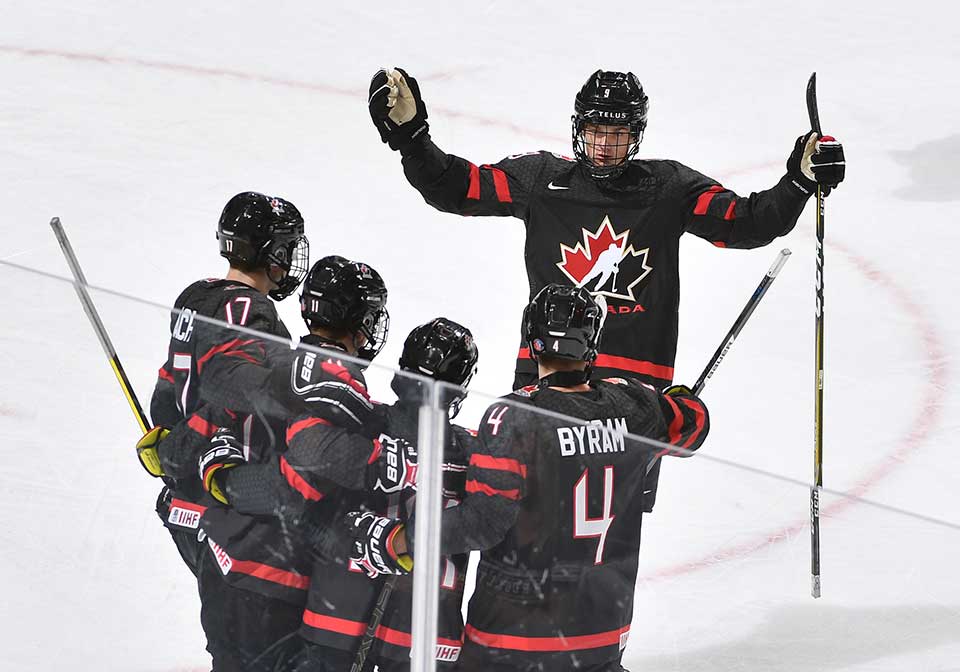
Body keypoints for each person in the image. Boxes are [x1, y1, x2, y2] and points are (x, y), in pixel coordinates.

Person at [368, 66, 844, 510]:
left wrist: (797, 183)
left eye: (618, 135)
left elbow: (745, 222)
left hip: (633, 403)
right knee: (524, 521)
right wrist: (413, 140)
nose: (605, 146)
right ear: (579, 128)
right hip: (545, 386)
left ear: (636, 135)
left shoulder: (668, 188)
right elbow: (459, 188)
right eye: (597, 132)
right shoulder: (540, 180)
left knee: (609, 537)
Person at [348, 284, 709, 672]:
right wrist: (674, 395)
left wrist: (401, 539)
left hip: (511, 640)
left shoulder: (514, 416)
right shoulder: (633, 404)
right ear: (592, 343)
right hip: (601, 634)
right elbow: (694, 422)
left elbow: (482, 524)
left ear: (532, 341)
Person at [138, 191, 311, 670]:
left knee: (227, 643)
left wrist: (169, 442)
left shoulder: (194, 299)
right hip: (224, 510)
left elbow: (167, 390)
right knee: (249, 650)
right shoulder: (254, 314)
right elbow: (235, 398)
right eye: (287, 246)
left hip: (184, 506)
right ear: (270, 251)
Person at [193, 254, 389, 671]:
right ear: (360, 320)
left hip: (222, 559)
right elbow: (300, 487)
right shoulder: (339, 377)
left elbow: (216, 409)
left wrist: (218, 476)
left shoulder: (273, 359)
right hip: (274, 575)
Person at [286, 317, 479, 671]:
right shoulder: (475, 450)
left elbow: (309, 510)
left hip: (338, 617)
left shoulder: (361, 424)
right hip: (428, 635)